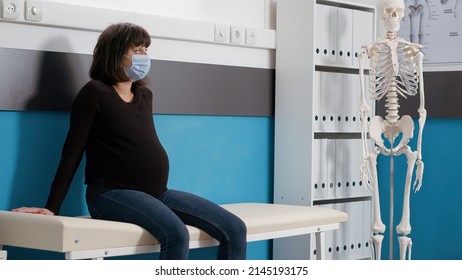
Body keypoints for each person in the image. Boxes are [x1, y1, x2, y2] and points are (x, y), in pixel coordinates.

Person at [12, 22, 247, 260]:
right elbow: (72, 153)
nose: (144, 56)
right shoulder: (94, 93)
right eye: (137, 50)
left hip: (157, 193)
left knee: (235, 228)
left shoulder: (145, 95)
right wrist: (52, 207)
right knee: (176, 233)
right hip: (110, 194)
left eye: (146, 49)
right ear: (115, 54)